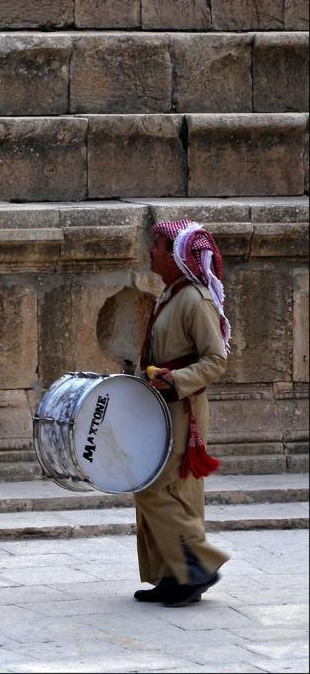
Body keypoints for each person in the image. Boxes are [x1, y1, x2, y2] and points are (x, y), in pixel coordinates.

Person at [135, 219, 231, 607]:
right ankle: (172, 576)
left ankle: (197, 568)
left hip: (182, 411)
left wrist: (176, 380)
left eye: (157, 245)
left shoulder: (194, 299)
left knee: (160, 489)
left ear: (176, 254)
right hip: (162, 407)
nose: (151, 251)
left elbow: (216, 360)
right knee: (158, 488)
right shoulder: (169, 296)